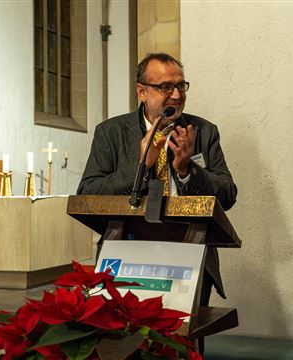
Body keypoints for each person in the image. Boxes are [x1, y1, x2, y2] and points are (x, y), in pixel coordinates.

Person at [78, 53, 237, 352]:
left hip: (189, 253)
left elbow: (228, 194)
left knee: (180, 345)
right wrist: (140, 163)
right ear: (142, 91)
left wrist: (187, 169)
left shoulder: (203, 132)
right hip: (127, 252)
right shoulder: (111, 133)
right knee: (123, 346)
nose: (176, 95)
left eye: (181, 86)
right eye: (166, 87)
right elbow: (88, 192)